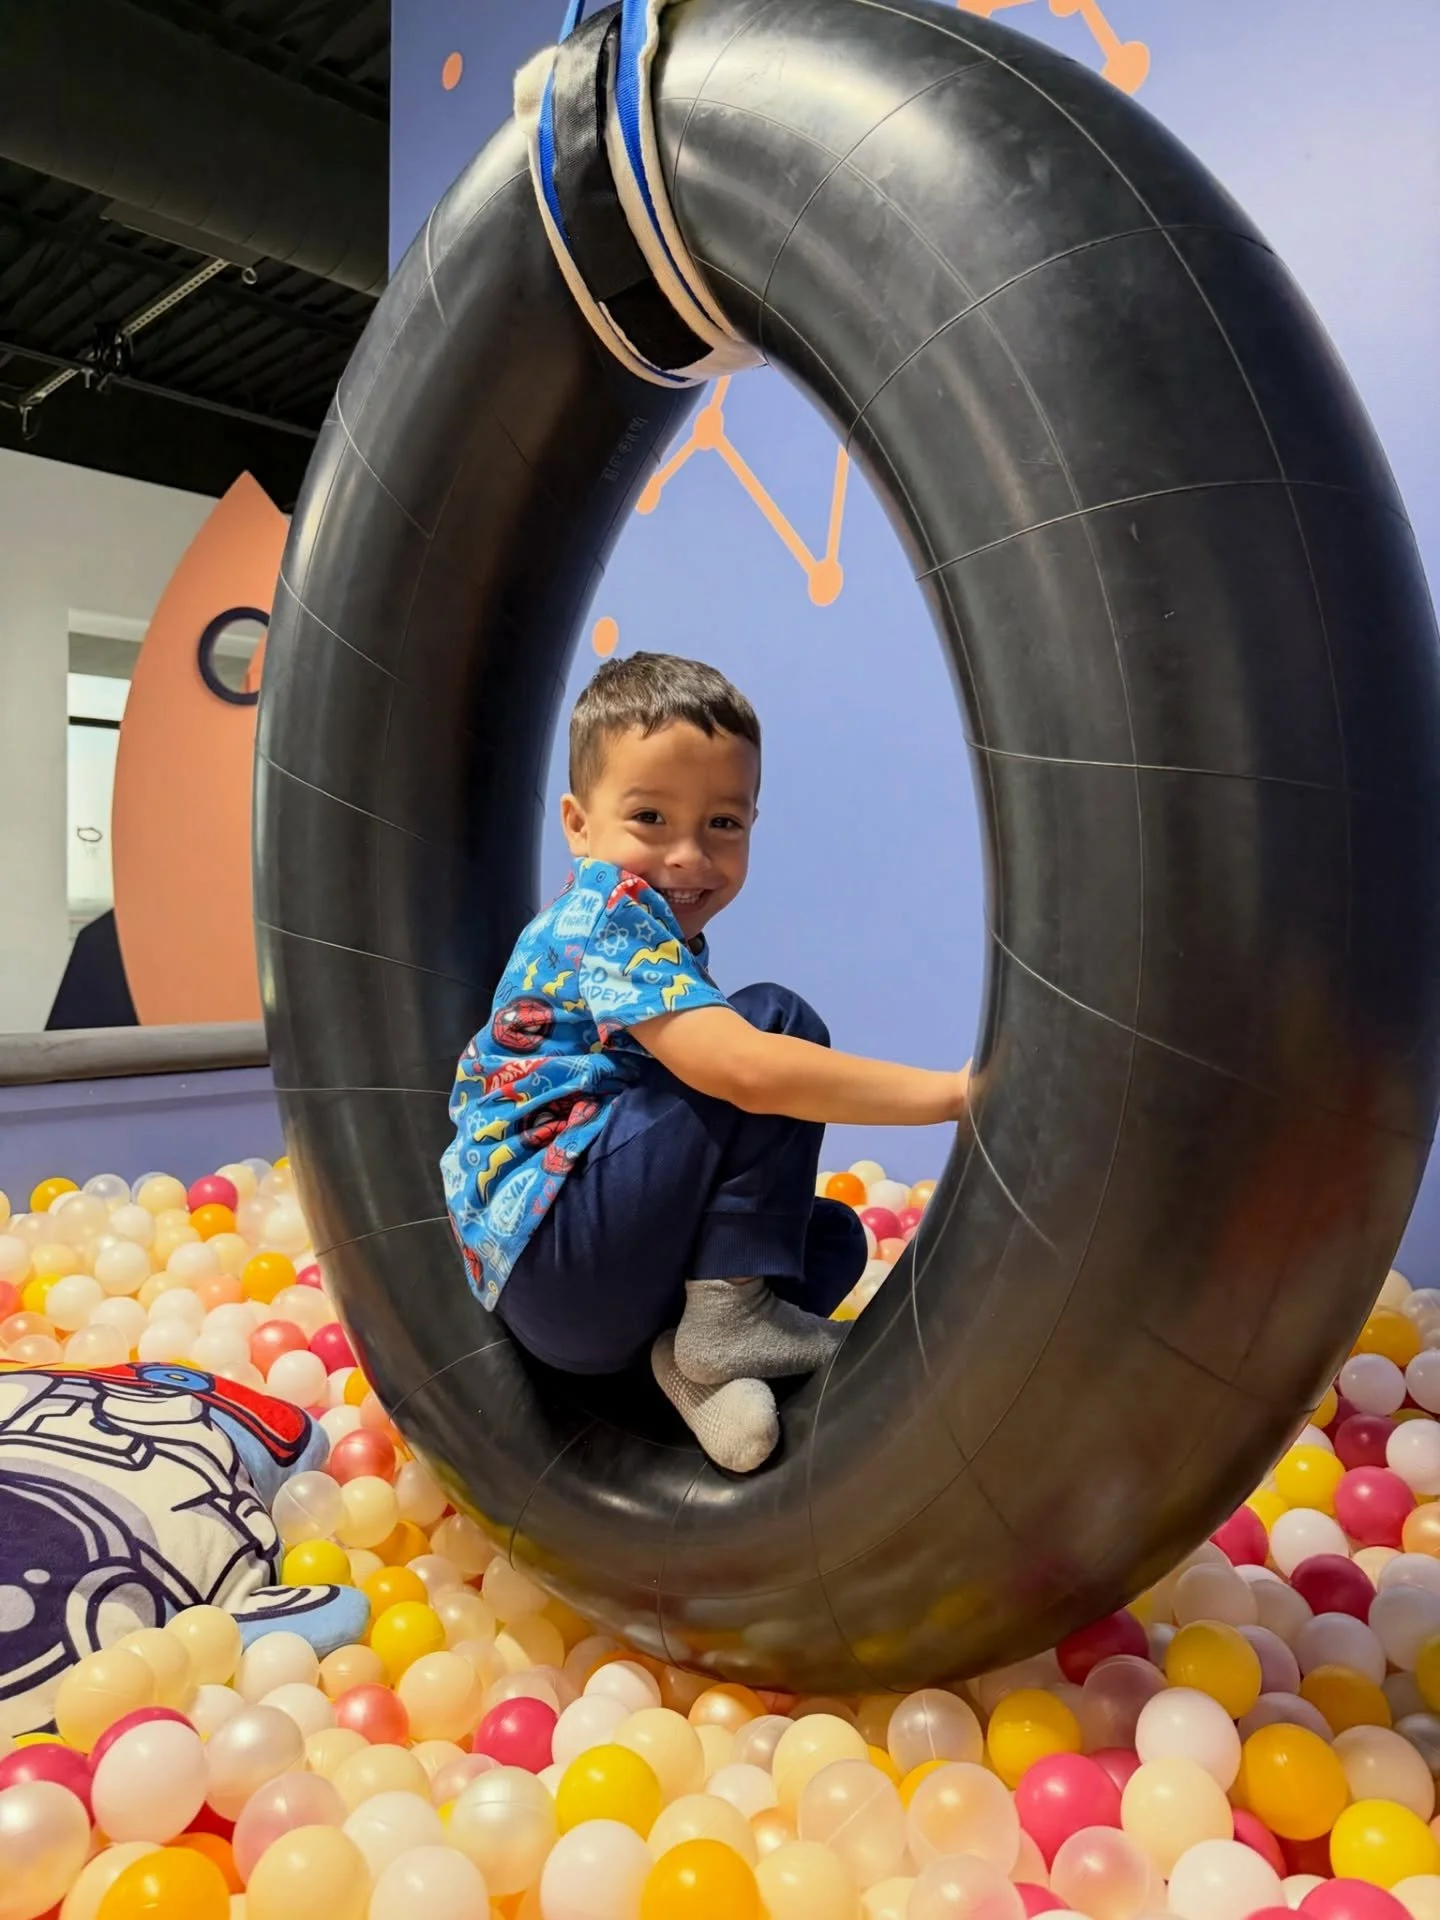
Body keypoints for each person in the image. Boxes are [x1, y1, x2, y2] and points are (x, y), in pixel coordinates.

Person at [442, 653, 970, 1472]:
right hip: (557, 1249)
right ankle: (726, 1332)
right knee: (772, 1022)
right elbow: (744, 1069)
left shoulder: (657, 936)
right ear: (579, 825)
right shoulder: (610, 913)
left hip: (586, 1302)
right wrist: (953, 1095)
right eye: (650, 818)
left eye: (724, 823)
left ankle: (689, 1374)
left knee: (826, 1240)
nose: (689, 854)